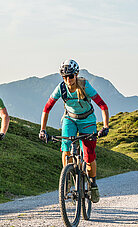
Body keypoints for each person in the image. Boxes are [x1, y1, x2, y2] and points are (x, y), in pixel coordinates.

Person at [39, 59, 109, 203]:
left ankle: (93, 184)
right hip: (69, 119)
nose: (68, 80)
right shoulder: (61, 88)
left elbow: (103, 105)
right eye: (64, 77)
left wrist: (105, 126)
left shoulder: (84, 86)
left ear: (76, 74)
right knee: (66, 150)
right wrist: (42, 130)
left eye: (70, 76)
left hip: (87, 120)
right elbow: (47, 108)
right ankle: (67, 179)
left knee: (89, 156)